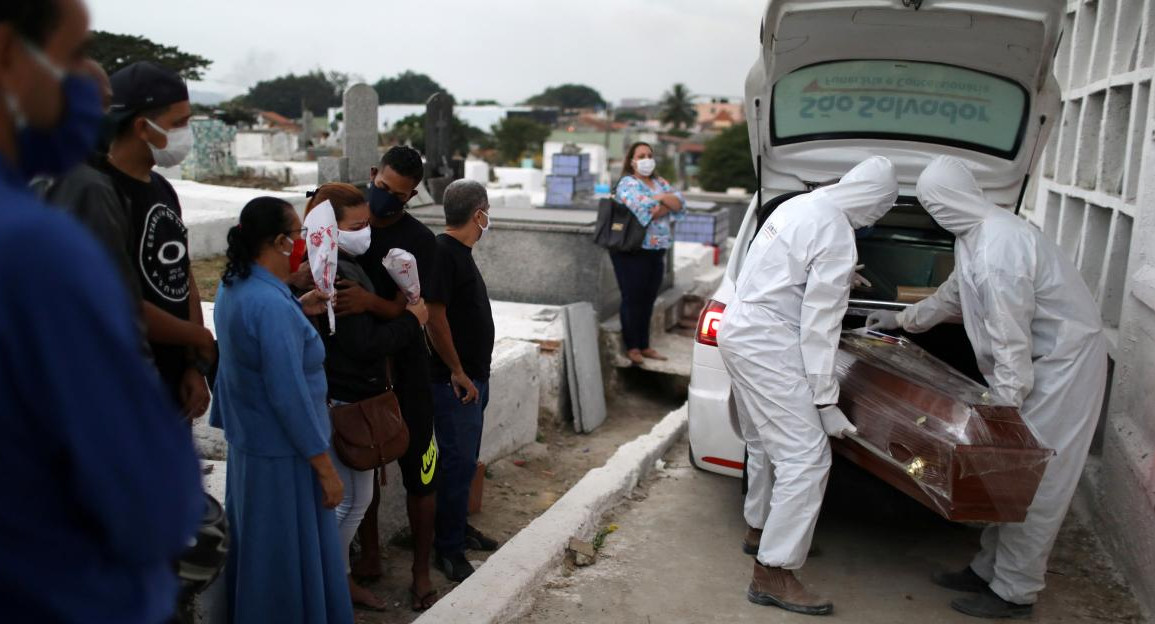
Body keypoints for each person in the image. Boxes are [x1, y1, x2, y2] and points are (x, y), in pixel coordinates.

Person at [0, 1, 204, 622]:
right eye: (71, 54)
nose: (90, 81)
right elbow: (152, 497)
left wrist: (195, 349)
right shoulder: (39, 245)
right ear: (10, 53)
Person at [866, 156, 1109, 620]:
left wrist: (1006, 404)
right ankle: (987, 569)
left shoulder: (1001, 246)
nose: (936, 214)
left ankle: (1015, 593)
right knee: (1009, 476)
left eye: (938, 204)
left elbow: (1008, 331)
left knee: (1036, 481)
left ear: (956, 197)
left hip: (1062, 367)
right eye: (931, 205)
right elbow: (954, 295)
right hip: (1034, 366)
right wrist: (902, 320)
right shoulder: (973, 236)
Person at [717, 156, 898, 616]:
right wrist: (824, 399)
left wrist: (838, 273)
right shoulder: (837, 231)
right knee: (806, 456)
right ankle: (773, 571)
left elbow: (778, 267)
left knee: (764, 440)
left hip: (739, 328)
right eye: (881, 210)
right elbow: (821, 326)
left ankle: (761, 529)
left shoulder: (798, 205)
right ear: (872, 202)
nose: (875, 220)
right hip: (769, 341)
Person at [209, 197, 352, 624]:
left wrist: (296, 305)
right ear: (277, 241)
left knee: (260, 550)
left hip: (252, 444)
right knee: (283, 557)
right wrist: (324, 467)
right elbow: (287, 392)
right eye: (297, 236)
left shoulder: (237, 285)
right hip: (285, 453)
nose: (301, 245)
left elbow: (237, 363)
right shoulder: (270, 306)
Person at [49, 61, 214, 420]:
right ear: (143, 126)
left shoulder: (163, 189)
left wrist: (193, 365)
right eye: (179, 124)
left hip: (174, 382)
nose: (187, 134)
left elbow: (182, 276)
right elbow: (117, 300)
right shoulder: (99, 193)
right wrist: (197, 338)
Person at [303, 183, 431, 611]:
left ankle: (336, 581)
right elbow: (363, 346)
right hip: (348, 398)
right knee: (351, 503)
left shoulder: (344, 262)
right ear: (331, 228)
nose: (365, 232)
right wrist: (412, 321)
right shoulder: (337, 273)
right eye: (356, 225)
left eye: (366, 224)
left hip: (352, 394)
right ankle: (333, 583)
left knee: (357, 500)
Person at [329, 145, 441, 611]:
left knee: (420, 469)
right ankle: (369, 554)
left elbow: (422, 308)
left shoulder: (421, 240)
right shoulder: (350, 222)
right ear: (373, 175)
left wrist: (373, 304)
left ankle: (420, 570)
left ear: (411, 195)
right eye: (380, 188)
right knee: (364, 462)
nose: (382, 202)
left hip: (410, 368)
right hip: (362, 372)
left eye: (396, 195)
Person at [426, 179, 500, 582]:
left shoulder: (461, 252)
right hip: (454, 382)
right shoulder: (443, 253)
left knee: (465, 459)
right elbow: (435, 318)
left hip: (474, 377)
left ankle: (458, 530)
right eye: (487, 209)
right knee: (456, 463)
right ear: (478, 214)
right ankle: (447, 548)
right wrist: (456, 370)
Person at [613, 141, 685, 365]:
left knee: (648, 299)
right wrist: (666, 201)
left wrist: (661, 199)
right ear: (632, 161)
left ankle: (645, 345)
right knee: (632, 298)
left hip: (657, 248)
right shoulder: (627, 183)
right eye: (641, 155)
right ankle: (632, 347)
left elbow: (680, 202)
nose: (646, 159)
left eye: (649, 155)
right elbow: (645, 211)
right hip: (633, 249)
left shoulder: (659, 182)